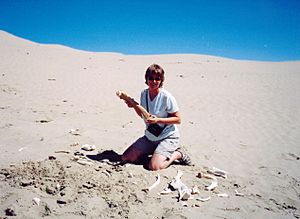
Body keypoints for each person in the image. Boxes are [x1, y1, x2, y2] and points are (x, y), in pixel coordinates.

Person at [121, 64, 191, 170]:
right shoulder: (144, 94)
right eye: (151, 78)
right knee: (126, 157)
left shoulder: (166, 97)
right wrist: (134, 106)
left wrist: (158, 120)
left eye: (157, 79)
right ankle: (156, 152)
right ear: (146, 78)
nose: (154, 82)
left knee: (154, 167)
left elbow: (178, 119)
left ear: (161, 80)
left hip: (167, 137)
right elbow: (143, 115)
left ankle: (178, 154)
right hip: (151, 137)